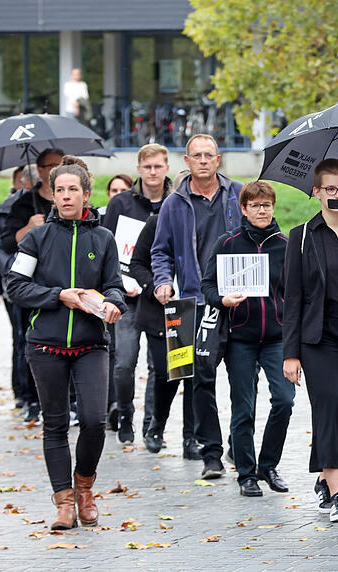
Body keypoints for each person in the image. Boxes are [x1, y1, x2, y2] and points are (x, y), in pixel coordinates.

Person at [4, 162, 126, 530]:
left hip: (91, 344)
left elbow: (115, 285)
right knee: (54, 424)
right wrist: (59, 295)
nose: (67, 196)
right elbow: (15, 286)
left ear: (86, 195)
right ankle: (64, 502)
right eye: (60, 191)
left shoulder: (103, 238)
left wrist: (114, 304)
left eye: (74, 190)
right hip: (45, 345)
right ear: (53, 195)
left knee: (93, 420)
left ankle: (85, 488)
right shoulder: (36, 239)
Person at [151, 134, 243, 479]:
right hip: (193, 301)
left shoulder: (237, 194)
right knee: (199, 377)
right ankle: (210, 452)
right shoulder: (175, 203)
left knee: (243, 378)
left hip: (237, 298)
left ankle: (239, 442)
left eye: (209, 155)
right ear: (186, 162)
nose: (203, 160)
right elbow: (160, 250)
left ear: (218, 159)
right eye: (196, 156)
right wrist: (163, 280)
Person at [283, 158, 338, 523]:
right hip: (317, 338)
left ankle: (323, 476)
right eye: (330, 189)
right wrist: (290, 354)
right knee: (330, 405)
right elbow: (293, 297)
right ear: (316, 192)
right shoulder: (301, 237)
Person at [202, 181, 293, 498]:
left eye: (266, 204)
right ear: (243, 208)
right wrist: (222, 301)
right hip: (240, 338)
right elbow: (208, 286)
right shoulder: (228, 243)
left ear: (273, 207)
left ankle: (268, 464)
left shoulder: (285, 244)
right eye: (255, 205)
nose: (262, 210)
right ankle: (245, 474)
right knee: (244, 407)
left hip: (277, 338)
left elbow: (295, 292)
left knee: (284, 399)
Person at [102, 144, 172, 443]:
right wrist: (114, 283)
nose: (153, 172)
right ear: (139, 169)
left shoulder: (176, 202)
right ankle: (125, 413)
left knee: (160, 366)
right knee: (124, 362)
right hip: (127, 296)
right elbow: (106, 246)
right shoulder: (121, 203)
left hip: (163, 297)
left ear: (166, 168)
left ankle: (152, 424)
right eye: (148, 167)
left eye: (158, 166)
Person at [131, 171, 199, 460]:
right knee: (166, 374)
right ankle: (156, 424)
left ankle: (190, 438)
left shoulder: (205, 224)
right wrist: (157, 285)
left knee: (194, 376)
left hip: (194, 308)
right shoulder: (156, 222)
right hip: (162, 312)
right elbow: (137, 263)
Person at [1, 148, 65, 422]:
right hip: (31, 286)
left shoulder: (70, 198)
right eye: (49, 166)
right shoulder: (23, 203)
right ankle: (30, 398)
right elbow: (5, 243)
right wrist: (29, 226)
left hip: (64, 285)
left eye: (59, 165)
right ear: (38, 170)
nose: (53, 170)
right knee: (28, 341)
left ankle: (66, 400)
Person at [0, 165, 38, 409]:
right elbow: (0, 250)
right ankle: (23, 393)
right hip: (16, 284)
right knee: (21, 339)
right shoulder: (9, 208)